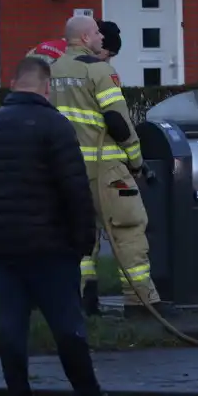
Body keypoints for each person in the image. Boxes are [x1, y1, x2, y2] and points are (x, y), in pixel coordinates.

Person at [0, 56, 124, 396]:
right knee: (67, 325)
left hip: (4, 246)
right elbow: (74, 189)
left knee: (11, 326)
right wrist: (83, 239)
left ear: (13, 81)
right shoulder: (55, 126)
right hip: (50, 245)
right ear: (46, 86)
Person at [49, 16, 164, 317]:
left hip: (66, 172)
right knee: (129, 229)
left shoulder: (51, 71)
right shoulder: (100, 70)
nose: (102, 37)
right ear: (86, 38)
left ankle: (83, 300)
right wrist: (137, 163)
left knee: (80, 236)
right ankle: (141, 302)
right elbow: (117, 121)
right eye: (97, 33)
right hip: (107, 171)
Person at [28, 21, 123, 316]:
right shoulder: (82, 66)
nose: (106, 61)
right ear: (94, 42)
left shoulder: (47, 54)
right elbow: (112, 117)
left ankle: (69, 297)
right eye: (108, 55)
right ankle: (78, 299)